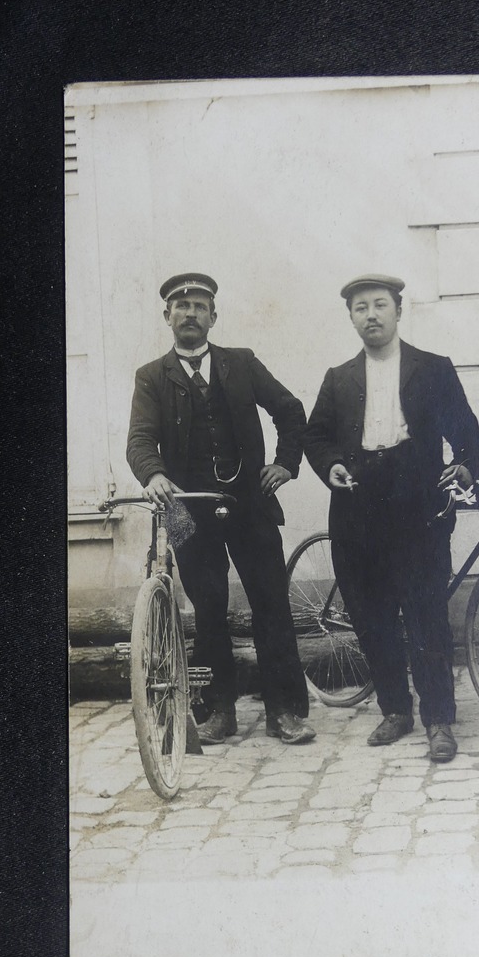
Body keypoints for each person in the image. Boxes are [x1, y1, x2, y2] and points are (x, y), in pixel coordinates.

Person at [127, 272, 315, 745]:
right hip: (185, 511)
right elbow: (139, 440)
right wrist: (154, 475)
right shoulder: (151, 377)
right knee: (207, 610)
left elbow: (291, 410)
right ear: (167, 316)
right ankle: (218, 712)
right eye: (180, 305)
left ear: (214, 316)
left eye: (199, 305)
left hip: (249, 504)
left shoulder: (242, 363)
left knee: (270, 603)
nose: (190, 313)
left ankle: (285, 712)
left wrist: (285, 464)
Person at [304, 274, 479, 762]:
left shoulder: (433, 369)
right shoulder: (338, 378)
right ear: (351, 318)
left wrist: (465, 466)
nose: (371, 315)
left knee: (426, 616)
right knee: (372, 616)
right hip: (358, 508)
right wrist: (331, 465)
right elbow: (315, 437)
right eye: (360, 308)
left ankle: (439, 720)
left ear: (398, 311)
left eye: (380, 305)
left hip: (417, 505)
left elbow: (467, 434)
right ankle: (396, 711)